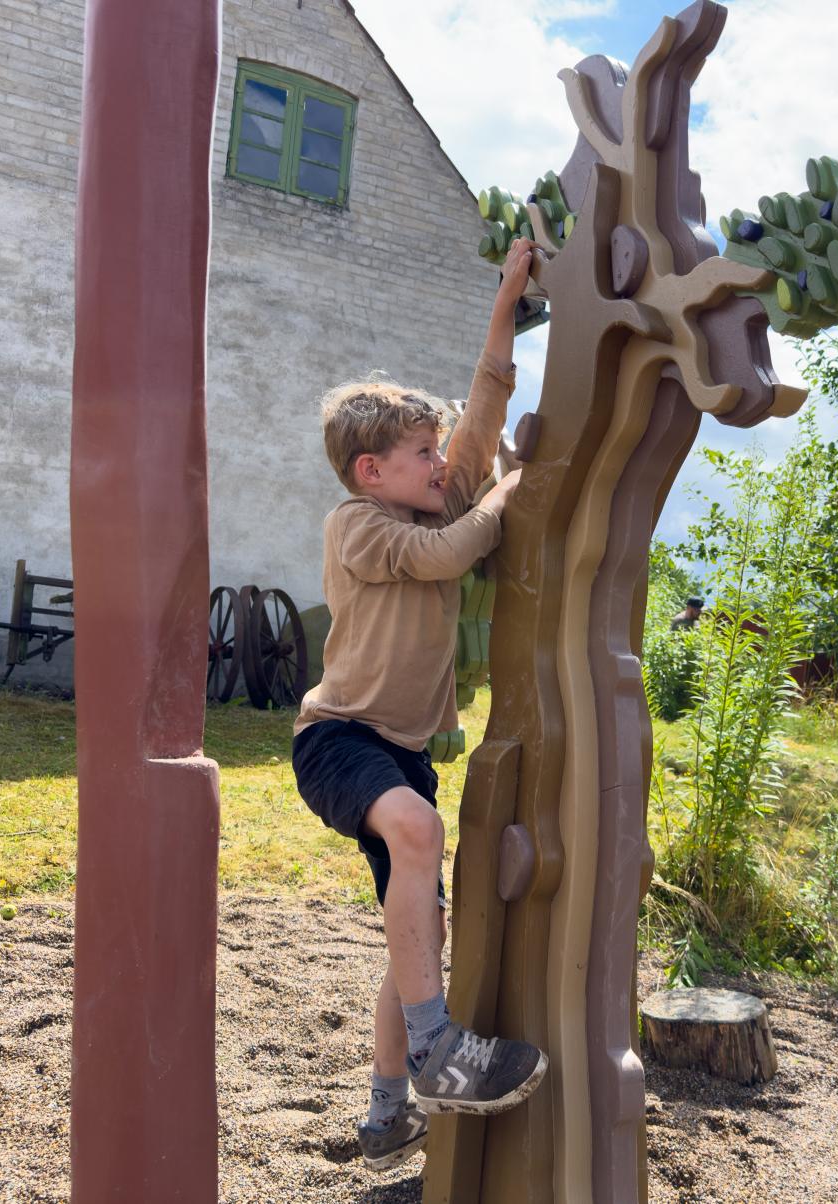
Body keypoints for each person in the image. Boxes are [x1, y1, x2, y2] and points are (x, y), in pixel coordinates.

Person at [292, 237, 547, 1172]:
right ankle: (440, 1050)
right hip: (339, 737)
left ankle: (385, 1111)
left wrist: (507, 299)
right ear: (372, 470)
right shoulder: (361, 526)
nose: (446, 462)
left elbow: (485, 398)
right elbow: (451, 556)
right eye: (424, 453)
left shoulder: (435, 499)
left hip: (400, 751)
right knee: (413, 831)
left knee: (419, 933)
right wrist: (511, 491)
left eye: (442, 452)